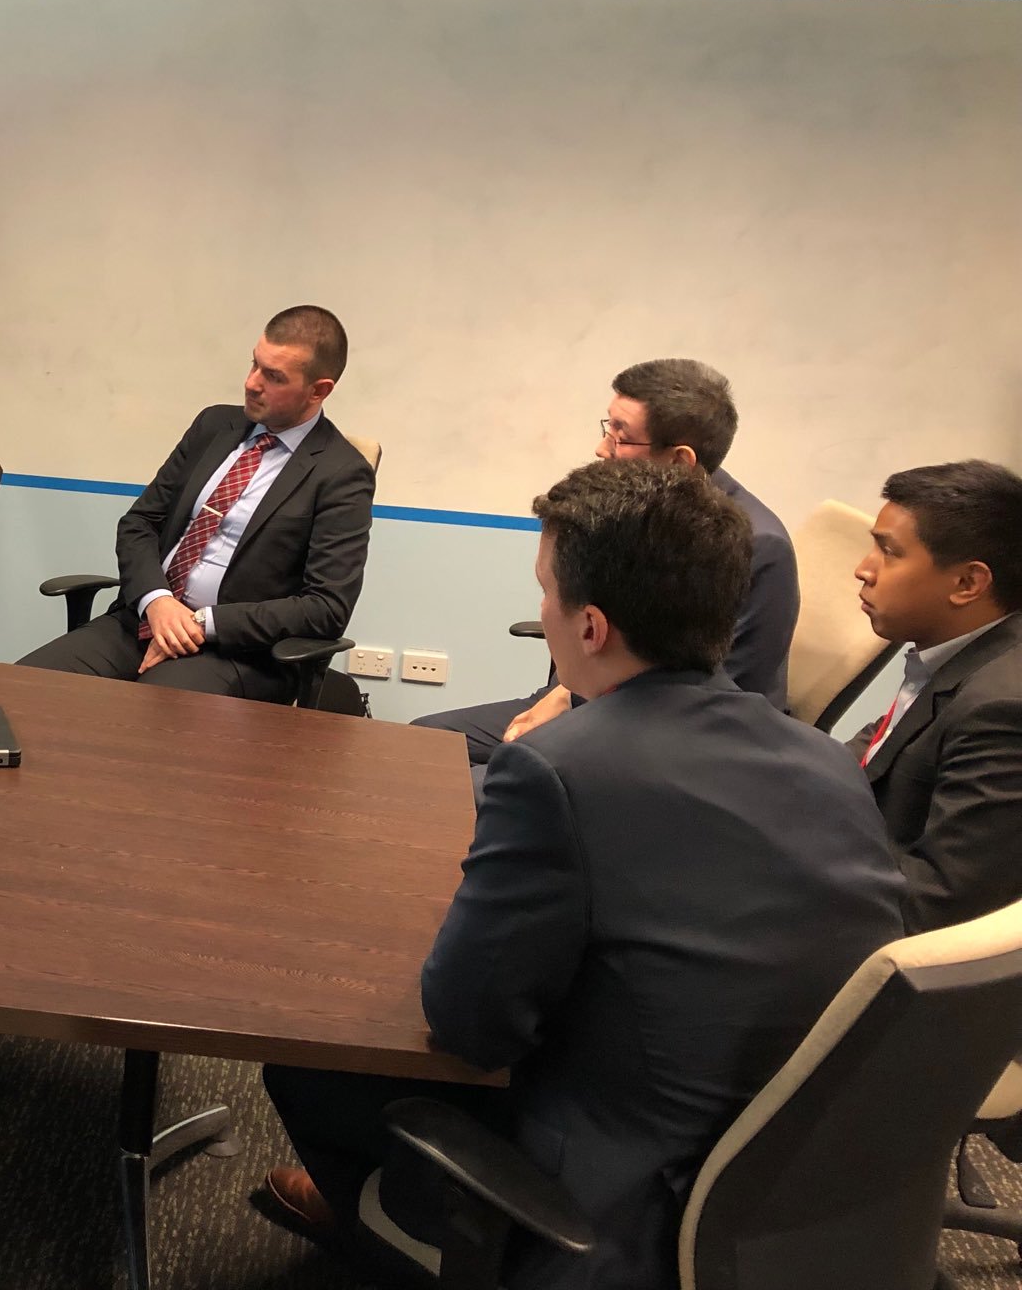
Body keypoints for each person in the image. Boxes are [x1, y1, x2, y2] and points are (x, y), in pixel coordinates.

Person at [261, 461, 902, 1290]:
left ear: (591, 626)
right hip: (804, 1187)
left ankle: (407, 1233)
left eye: (545, 593)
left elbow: (470, 1026)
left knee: (311, 1062)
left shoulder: (555, 769)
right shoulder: (828, 762)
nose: (544, 613)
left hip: (623, 1210)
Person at [415, 358, 797, 765]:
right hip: (590, 700)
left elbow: (720, 689)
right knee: (426, 743)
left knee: (504, 779)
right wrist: (566, 696)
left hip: (679, 738)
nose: (602, 448)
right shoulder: (628, 513)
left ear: (680, 461)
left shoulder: (756, 545)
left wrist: (573, 711)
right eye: (608, 427)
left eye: (622, 436)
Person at [16, 306, 374, 703]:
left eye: (273, 377)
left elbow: (325, 607)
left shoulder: (341, 473)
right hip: (144, 618)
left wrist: (202, 624)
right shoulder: (214, 426)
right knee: (22, 691)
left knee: (147, 722)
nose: (251, 383)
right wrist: (158, 602)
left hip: (237, 653)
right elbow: (140, 523)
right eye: (254, 364)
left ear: (319, 390)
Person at [851, 460, 1022, 932]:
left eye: (889, 552)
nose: (863, 569)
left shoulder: (1001, 712)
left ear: (967, 584)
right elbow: (880, 744)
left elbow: (938, 903)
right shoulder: (948, 653)